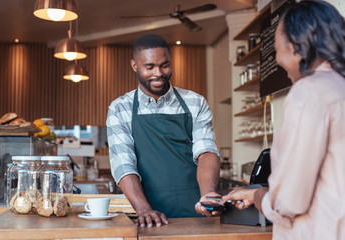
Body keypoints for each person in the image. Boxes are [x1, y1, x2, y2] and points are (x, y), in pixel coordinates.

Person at [222, 1, 345, 239]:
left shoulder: (308, 92)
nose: (277, 59)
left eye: (278, 49)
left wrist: (258, 197)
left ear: (297, 47)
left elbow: (290, 202)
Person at [106, 34, 221, 228]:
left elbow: (206, 151)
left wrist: (208, 196)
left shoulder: (195, 102)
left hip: (196, 211)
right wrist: (143, 209)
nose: (158, 73)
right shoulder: (120, 108)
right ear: (134, 66)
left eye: (164, 65)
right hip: (148, 215)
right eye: (149, 67)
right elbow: (123, 164)